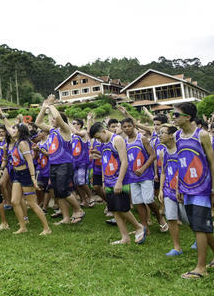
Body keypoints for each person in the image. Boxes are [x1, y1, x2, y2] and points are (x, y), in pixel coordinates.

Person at [172, 102, 214, 279]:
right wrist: (178, 186)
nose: (173, 118)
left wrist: (213, 188)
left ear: (187, 117)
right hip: (186, 187)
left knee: (199, 227)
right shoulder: (177, 136)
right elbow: (181, 162)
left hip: (202, 188)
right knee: (200, 226)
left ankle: (201, 268)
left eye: (176, 115)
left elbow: (212, 162)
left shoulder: (202, 135)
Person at [90, 122, 146, 245]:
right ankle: (125, 237)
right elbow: (105, 162)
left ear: (103, 131)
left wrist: (119, 182)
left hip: (120, 180)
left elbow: (124, 162)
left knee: (123, 208)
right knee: (114, 209)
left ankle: (138, 227)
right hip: (109, 181)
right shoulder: (103, 143)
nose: (99, 140)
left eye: (99, 137)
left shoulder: (117, 140)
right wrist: (104, 180)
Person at [34, 95, 84, 225]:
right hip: (54, 164)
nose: (52, 120)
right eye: (51, 119)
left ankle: (78, 210)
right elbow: (38, 123)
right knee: (57, 192)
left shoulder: (65, 130)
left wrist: (51, 105)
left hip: (64, 164)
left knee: (63, 190)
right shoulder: (52, 131)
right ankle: (66, 218)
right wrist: (43, 108)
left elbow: (58, 117)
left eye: (53, 118)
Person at [120, 117, 167, 235]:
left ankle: (160, 217)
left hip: (146, 175)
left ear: (133, 126)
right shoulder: (124, 142)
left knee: (148, 199)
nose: (127, 129)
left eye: (129, 126)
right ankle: (144, 226)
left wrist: (143, 168)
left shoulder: (142, 139)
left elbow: (153, 155)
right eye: (124, 127)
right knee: (138, 202)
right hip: (132, 177)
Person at [157, 124, 184, 256]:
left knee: (188, 219)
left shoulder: (182, 150)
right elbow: (163, 172)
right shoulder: (163, 152)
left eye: (163, 133)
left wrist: (181, 188)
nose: (159, 136)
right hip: (168, 190)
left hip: (183, 190)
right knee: (171, 218)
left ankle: (199, 239)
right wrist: (161, 189)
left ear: (171, 135)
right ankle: (177, 247)